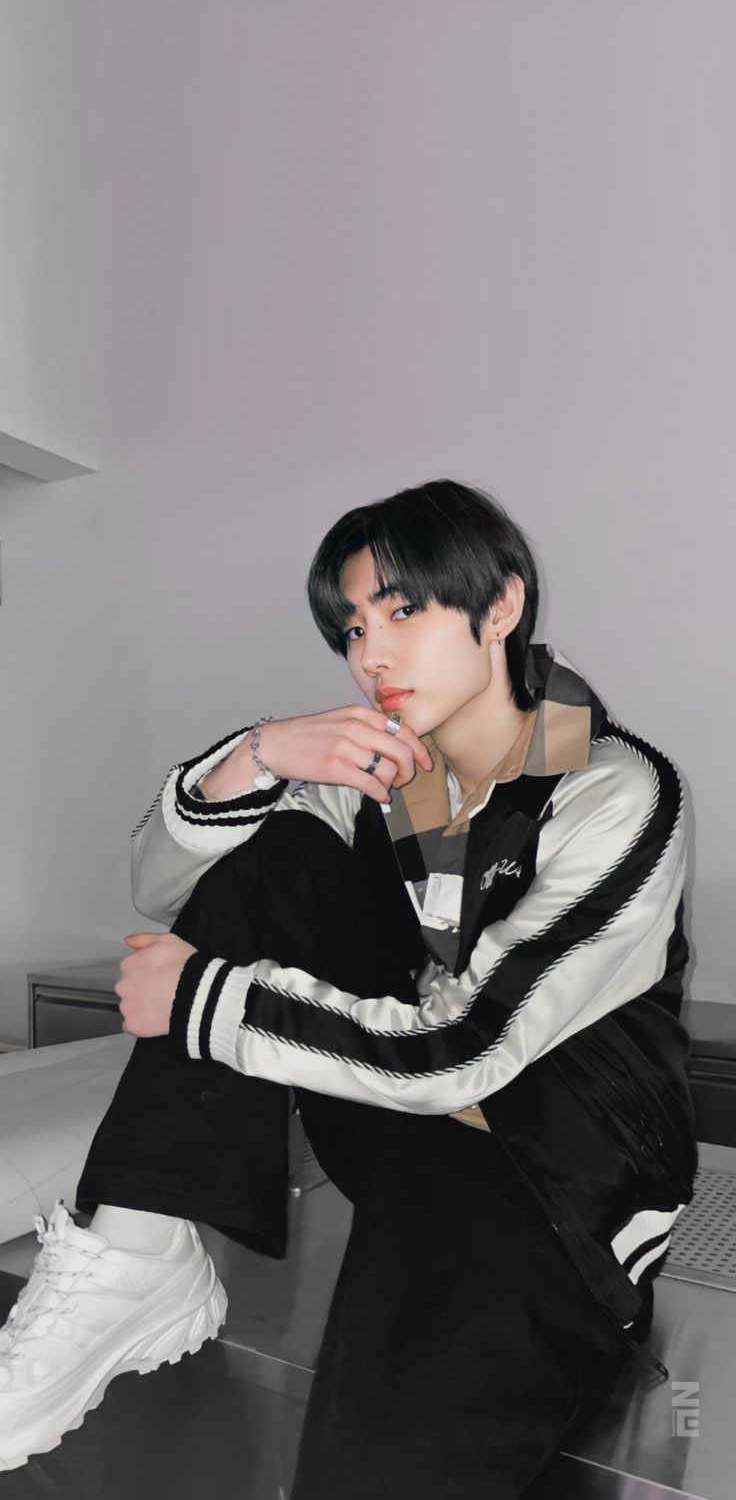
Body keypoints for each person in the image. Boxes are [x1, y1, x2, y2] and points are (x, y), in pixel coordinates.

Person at [0, 478, 698, 1496]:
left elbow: (470, 1050)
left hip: (553, 1183)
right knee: (270, 846)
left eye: (404, 609)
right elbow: (163, 889)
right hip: (400, 1123)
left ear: (499, 605)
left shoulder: (612, 789)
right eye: (352, 624)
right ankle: (136, 1249)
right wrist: (252, 755)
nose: (370, 652)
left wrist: (208, 1003)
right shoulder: (377, 769)